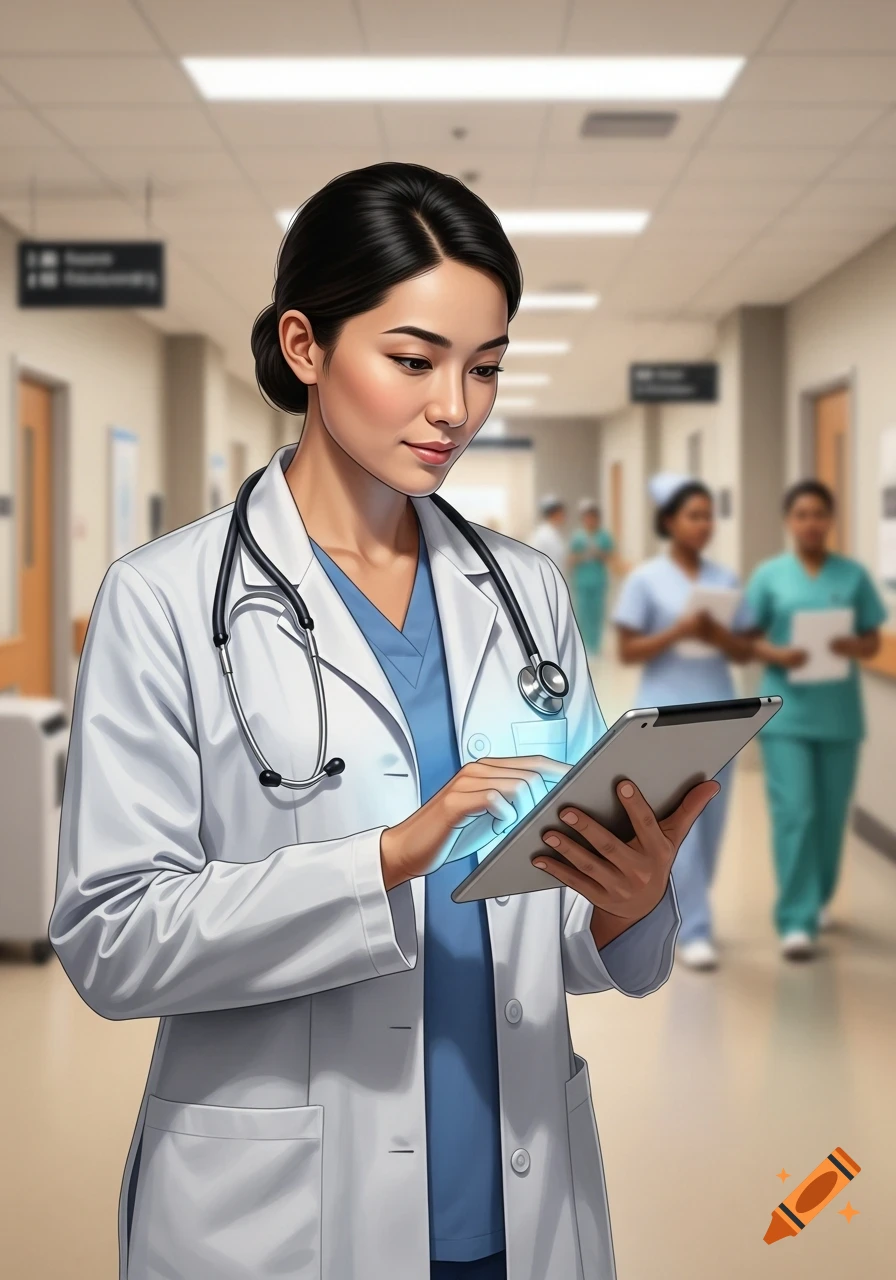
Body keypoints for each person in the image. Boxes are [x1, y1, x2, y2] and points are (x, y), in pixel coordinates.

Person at [49, 164, 718, 1280]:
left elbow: (547, 917)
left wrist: (626, 901)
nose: (453, 406)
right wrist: (383, 858)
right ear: (305, 345)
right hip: (282, 1215)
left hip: (517, 1193)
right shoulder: (164, 598)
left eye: (484, 367)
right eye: (412, 360)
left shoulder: (525, 589)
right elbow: (113, 938)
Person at [612, 474, 753, 972]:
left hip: (721, 711)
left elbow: (746, 645)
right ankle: (692, 927)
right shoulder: (645, 580)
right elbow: (627, 650)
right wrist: (677, 631)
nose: (704, 524)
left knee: (711, 823)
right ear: (669, 522)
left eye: (709, 515)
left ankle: (691, 910)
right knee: (680, 825)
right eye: (694, 515)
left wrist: (718, 635)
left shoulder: (724, 580)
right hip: (666, 715)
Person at [744, 480, 885, 962]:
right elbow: (746, 637)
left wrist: (854, 647)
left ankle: (818, 897)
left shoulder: (852, 577)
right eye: (801, 514)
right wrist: (777, 652)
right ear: (790, 521)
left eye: (819, 514)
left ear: (831, 520)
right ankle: (796, 919)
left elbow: (871, 640)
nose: (811, 523)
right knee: (797, 814)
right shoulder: (770, 576)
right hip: (787, 714)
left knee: (828, 818)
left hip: (839, 716)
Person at [568, 500, 614, 656]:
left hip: (598, 581)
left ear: (598, 519)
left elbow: (610, 557)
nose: (590, 521)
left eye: (593, 517)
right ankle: (584, 646)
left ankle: (595, 646)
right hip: (582, 581)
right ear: (583, 519)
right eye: (587, 517)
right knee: (583, 614)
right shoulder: (578, 537)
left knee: (597, 614)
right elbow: (570, 560)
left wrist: (599, 553)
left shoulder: (603, 537)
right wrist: (582, 555)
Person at [528, 496, 568, 570]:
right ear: (553, 514)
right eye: (561, 513)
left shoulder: (555, 533)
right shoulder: (541, 535)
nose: (564, 516)